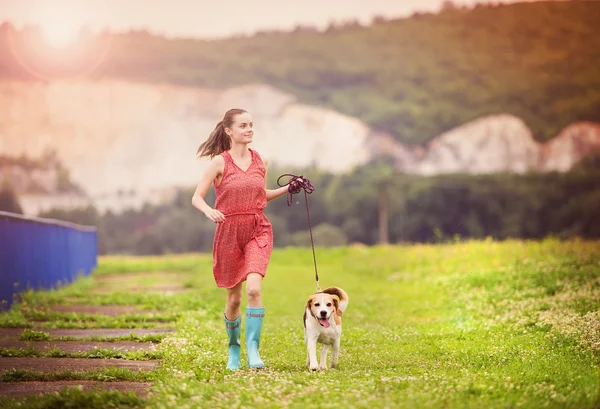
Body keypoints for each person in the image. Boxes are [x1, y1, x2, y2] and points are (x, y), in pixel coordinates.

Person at [192, 108, 303, 371]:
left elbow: (260, 195)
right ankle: (234, 348)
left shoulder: (261, 160)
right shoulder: (219, 162)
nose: (249, 129)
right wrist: (210, 210)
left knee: (254, 288)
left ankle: (253, 349)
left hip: (257, 228)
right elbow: (197, 196)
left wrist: (288, 188)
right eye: (243, 126)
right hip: (228, 231)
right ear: (229, 131)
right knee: (234, 299)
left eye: (251, 125)